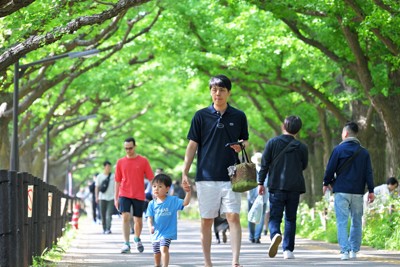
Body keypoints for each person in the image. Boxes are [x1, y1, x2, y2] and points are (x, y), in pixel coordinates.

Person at [182, 74, 249, 267]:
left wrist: (241, 146)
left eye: (221, 90)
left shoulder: (239, 116)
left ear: (228, 92)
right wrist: (185, 171)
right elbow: (192, 145)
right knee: (206, 220)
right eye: (214, 90)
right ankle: (207, 262)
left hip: (232, 175)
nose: (217, 93)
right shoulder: (200, 116)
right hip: (206, 176)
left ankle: (235, 261)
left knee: (233, 216)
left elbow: (245, 139)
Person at [258, 115, 308, 260]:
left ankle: (275, 235)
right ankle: (288, 250)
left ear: (283, 126)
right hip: (295, 187)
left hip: (276, 186)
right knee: (291, 218)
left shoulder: (272, 143)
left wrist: (260, 183)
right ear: (298, 130)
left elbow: (264, 165)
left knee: (275, 217)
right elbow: (304, 166)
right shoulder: (302, 147)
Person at [322, 121, 375, 260]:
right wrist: (371, 190)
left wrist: (326, 183)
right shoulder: (364, 152)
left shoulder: (338, 150)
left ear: (345, 133)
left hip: (341, 191)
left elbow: (330, 169)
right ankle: (354, 251)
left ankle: (344, 251)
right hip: (358, 192)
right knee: (357, 220)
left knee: (342, 221)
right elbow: (369, 172)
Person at [115, 137, 154, 253]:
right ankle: (126, 244)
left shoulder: (143, 161)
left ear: (135, 147)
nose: (128, 150)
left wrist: (153, 192)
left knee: (138, 221)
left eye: (130, 148)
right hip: (124, 193)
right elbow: (117, 181)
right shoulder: (120, 162)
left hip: (138, 194)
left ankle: (137, 238)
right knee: (125, 217)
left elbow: (151, 178)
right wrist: (116, 197)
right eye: (126, 148)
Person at [146, 173, 191, 267]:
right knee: (156, 252)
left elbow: (185, 203)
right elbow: (149, 218)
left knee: (164, 249)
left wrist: (188, 192)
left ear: (167, 188)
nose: (156, 189)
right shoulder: (151, 204)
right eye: (154, 186)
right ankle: (157, 265)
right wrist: (150, 227)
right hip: (156, 233)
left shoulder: (173, 200)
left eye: (160, 186)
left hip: (167, 232)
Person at [247, 152, 268, 244]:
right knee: (261, 216)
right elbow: (267, 183)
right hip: (263, 196)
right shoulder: (266, 169)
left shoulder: (250, 169)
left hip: (251, 196)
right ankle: (257, 236)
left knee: (251, 215)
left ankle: (251, 236)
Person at [95, 160, 115, 234]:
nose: (108, 168)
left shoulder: (113, 176)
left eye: (109, 167)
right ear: (104, 167)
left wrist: (116, 196)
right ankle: (104, 228)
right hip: (102, 198)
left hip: (111, 198)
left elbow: (116, 186)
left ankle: (108, 228)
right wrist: (96, 197)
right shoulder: (100, 176)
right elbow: (96, 187)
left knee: (109, 214)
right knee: (103, 214)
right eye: (107, 167)